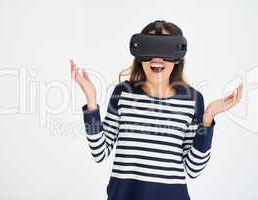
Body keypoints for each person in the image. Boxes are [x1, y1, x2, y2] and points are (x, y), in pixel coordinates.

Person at [70, 20, 243, 200]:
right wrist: (91, 101)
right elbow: (100, 151)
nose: (157, 58)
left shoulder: (193, 100)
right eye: (151, 48)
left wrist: (208, 117)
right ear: (140, 55)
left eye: (165, 50)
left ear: (177, 57)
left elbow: (194, 168)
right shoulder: (122, 93)